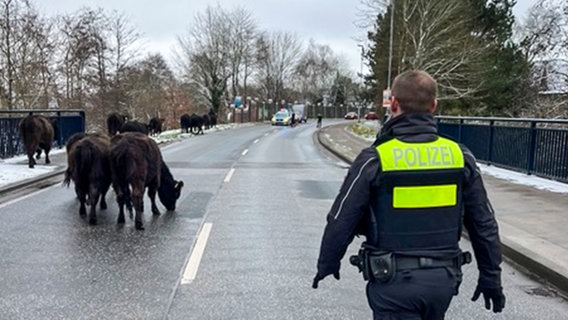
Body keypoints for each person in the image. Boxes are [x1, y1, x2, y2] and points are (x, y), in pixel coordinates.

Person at [312, 70, 505, 319]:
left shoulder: (376, 159)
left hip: (392, 282)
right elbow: (483, 222)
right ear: (434, 106)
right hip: (443, 282)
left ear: (393, 103)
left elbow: (342, 217)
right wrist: (491, 276)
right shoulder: (459, 156)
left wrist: (328, 262)